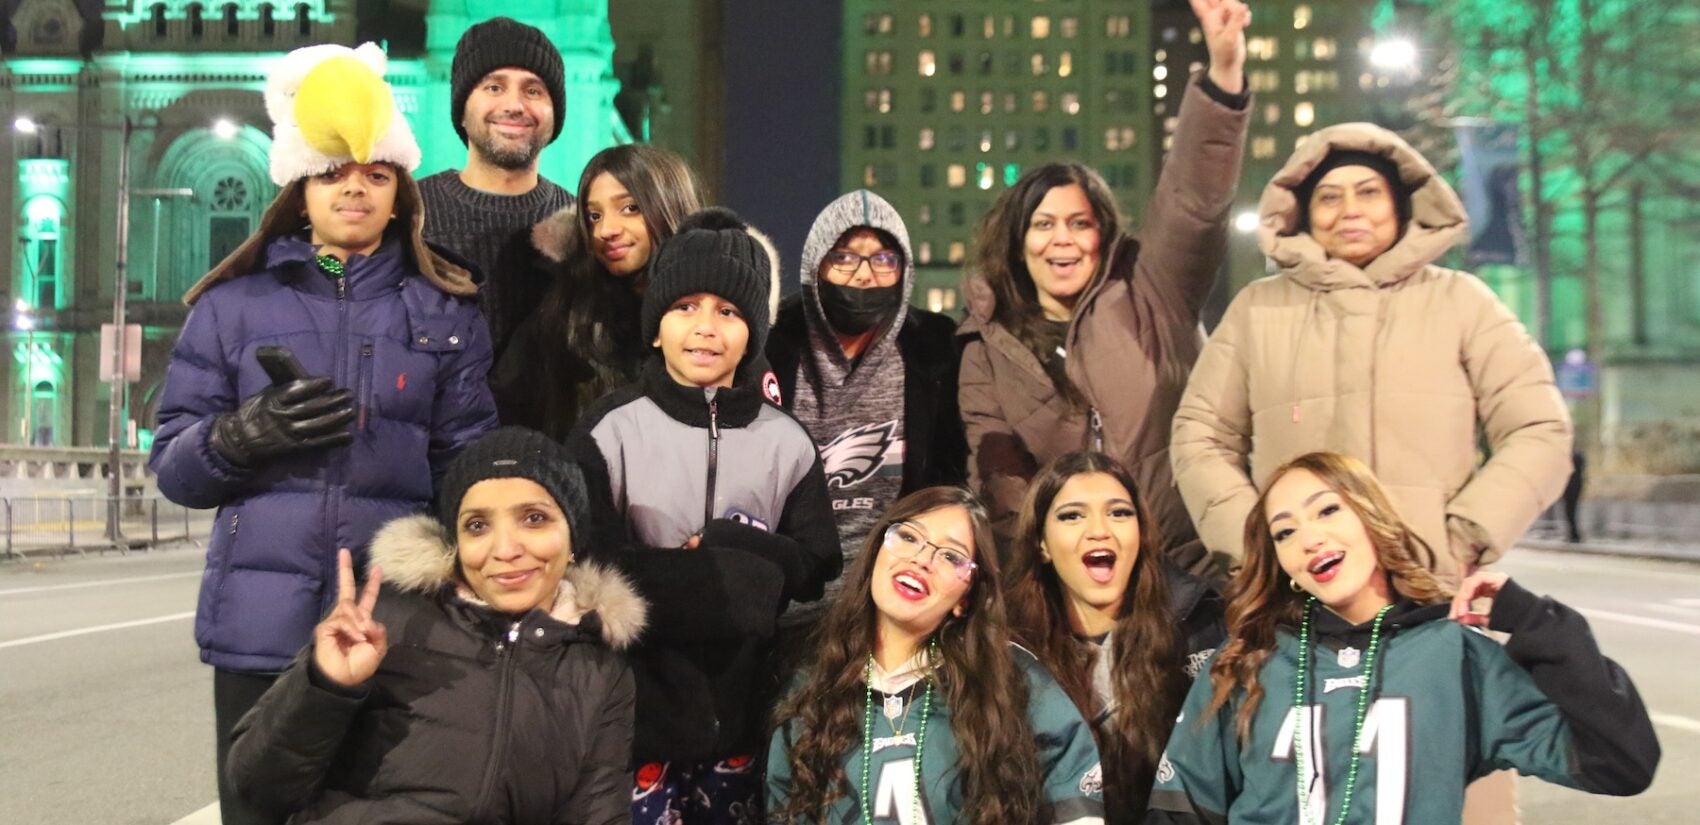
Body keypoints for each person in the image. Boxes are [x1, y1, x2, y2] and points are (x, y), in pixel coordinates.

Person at [149, 43, 498, 825]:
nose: (355, 189)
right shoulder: (231, 307)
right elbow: (174, 468)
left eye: (376, 173)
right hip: (261, 632)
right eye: (334, 171)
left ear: (400, 191)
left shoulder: (444, 311)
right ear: (300, 185)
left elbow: (472, 473)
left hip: (396, 632)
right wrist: (239, 437)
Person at [1146, 451, 1659, 824]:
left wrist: (1537, 622)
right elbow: (1179, 808)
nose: (1310, 537)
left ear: (1371, 517)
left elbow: (1620, 764)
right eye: (1285, 532)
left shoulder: (1454, 655)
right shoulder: (1246, 662)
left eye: (1328, 511)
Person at [1170, 122, 1573, 587]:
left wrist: (1464, 536)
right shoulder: (1258, 310)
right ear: (1303, 212)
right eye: (1329, 197)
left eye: (1369, 192)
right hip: (1297, 595)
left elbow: (1539, 427)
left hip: (1426, 590)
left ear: (1400, 205)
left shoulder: (1462, 302)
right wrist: (1259, 547)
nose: (1350, 211)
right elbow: (1199, 437)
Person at [957, 0, 1251, 576]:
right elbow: (996, 474)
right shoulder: (984, 345)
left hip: (1190, 569)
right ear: (1018, 243)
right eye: (1043, 225)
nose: (1061, 241)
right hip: (1073, 581)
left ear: (1103, 233)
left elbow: (1193, 204)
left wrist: (1222, 76)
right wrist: (1046, 579)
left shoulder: (1152, 289)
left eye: (1079, 223)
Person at [569, 207, 839, 824]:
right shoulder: (610, 427)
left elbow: (817, 563)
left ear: (753, 334)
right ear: (656, 327)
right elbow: (586, 562)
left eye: (729, 311)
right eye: (685, 306)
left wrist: (732, 549)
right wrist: (713, 583)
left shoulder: (787, 440)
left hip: (744, 713)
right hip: (632, 715)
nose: (706, 328)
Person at [226, 427, 645, 824]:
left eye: (534, 519)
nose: (505, 549)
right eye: (477, 526)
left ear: (573, 537)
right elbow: (259, 786)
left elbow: (598, 812)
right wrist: (326, 686)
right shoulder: (389, 619)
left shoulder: (601, 671)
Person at [767, 486, 1105, 825]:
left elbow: (1075, 797)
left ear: (966, 599)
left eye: (951, 557)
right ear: (875, 555)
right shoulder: (811, 691)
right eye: (909, 537)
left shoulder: (1011, 678)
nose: (922, 560)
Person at [765, 189, 967, 605]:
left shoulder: (935, 350)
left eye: (883, 259)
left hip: (889, 601)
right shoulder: (771, 346)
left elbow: (951, 479)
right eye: (844, 257)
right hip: (784, 601)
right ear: (816, 266)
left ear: (904, 272)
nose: (863, 275)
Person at [1002, 452, 1224, 823]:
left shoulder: (1204, 629)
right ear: (1041, 544)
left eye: (1119, 513)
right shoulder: (1007, 653)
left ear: (1141, 533)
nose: (1099, 530)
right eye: (1072, 516)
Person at [493, 144, 706, 437]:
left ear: (670, 205)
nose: (606, 230)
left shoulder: (720, 314)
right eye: (594, 216)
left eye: (629, 208)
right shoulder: (563, 313)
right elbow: (506, 412)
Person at [418, 16, 574, 361]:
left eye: (533, 90)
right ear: (461, 109)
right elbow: (339, 281)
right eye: (494, 87)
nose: (514, 105)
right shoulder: (409, 213)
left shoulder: (580, 225)